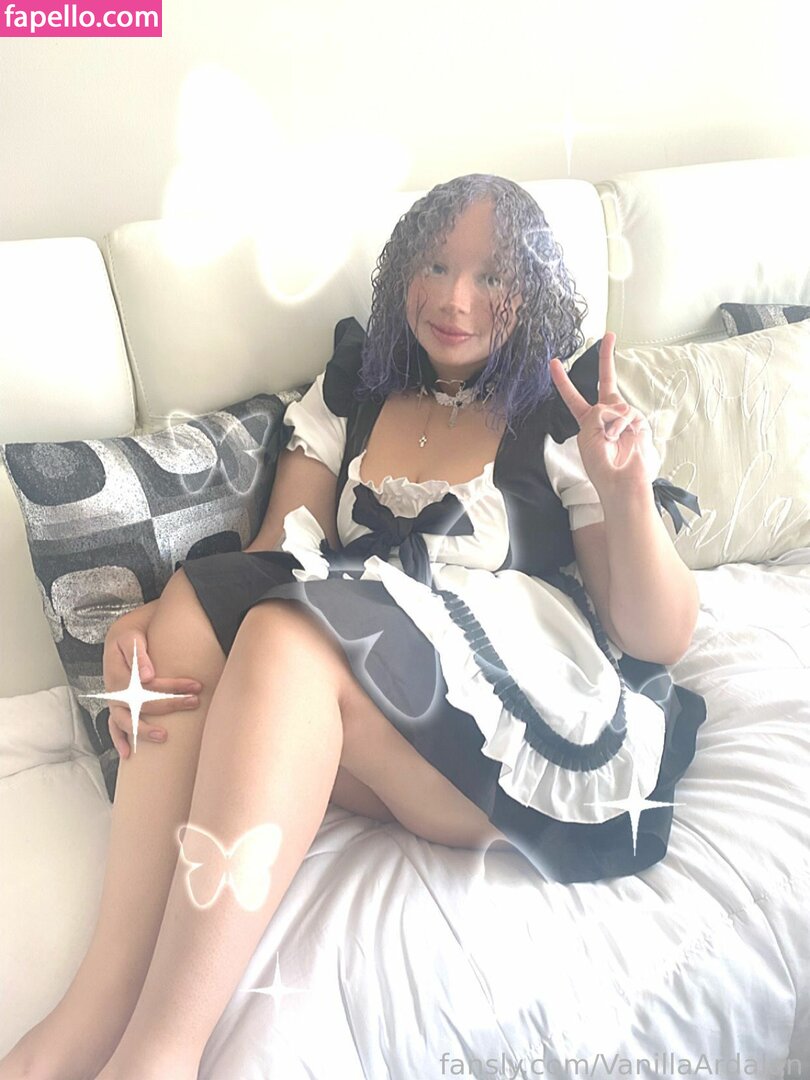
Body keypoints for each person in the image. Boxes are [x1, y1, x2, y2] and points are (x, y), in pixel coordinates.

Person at [0, 174, 706, 1079]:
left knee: (284, 635)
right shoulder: (359, 385)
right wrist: (154, 613)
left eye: (490, 277)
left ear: (529, 289)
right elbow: (272, 556)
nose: (455, 299)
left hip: (485, 737)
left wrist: (625, 491)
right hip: (371, 696)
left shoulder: (555, 412)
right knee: (197, 619)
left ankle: (159, 1055)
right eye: (435, 265)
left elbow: (658, 637)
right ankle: (91, 1012)